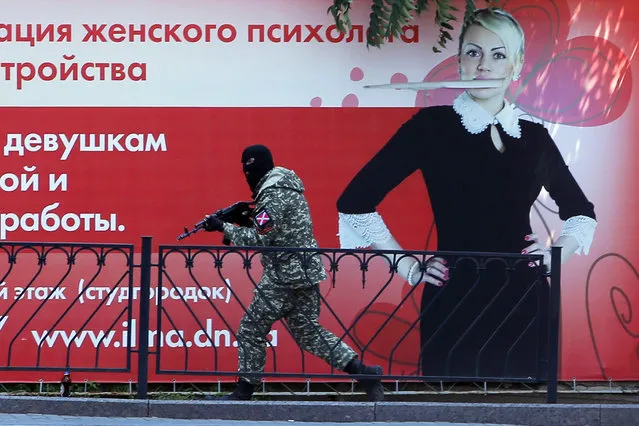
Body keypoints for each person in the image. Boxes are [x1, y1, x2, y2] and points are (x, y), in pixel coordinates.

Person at [336, 8, 597, 379]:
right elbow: (354, 202)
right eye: (474, 53)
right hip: (454, 298)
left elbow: (581, 212)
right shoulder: (431, 127)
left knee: (526, 412)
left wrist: (554, 258)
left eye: (498, 54)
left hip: (525, 302)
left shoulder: (534, 137)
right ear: (459, 60)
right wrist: (407, 266)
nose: (484, 65)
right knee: (451, 406)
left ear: (517, 64)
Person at [203, 144, 385, 401]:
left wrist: (222, 227)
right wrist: (245, 220)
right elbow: (276, 230)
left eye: (248, 168)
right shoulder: (287, 188)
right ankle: (364, 373)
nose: (246, 174)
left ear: (255, 167)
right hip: (305, 273)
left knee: (251, 329)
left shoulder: (273, 194)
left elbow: (258, 239)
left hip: (284, 276)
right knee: (308, 332)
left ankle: (243, 391)